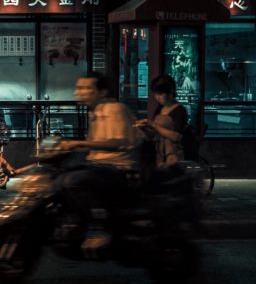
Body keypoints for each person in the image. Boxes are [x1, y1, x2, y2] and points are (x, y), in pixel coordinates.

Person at [56, 71, 140, 255]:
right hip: (99, 167)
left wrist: (80, 143)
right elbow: (97, 145)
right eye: (79, 88)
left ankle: (99, 227)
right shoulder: (95, 112)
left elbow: (119, 142)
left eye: (87, 88)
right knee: (59, 178)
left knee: (73, 182)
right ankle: (77, 223)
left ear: (102, 92)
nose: (81, 92)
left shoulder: (114, 109)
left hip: (118, 169)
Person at [136, 74, 187, 174]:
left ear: (170, 92)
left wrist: (153, 125)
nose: (157, 97)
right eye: (155, 94)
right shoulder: (160, 108)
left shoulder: (179, 110)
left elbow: (176, 136)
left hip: (172, 152)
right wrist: (144, 128)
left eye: (160, 94)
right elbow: (153, 134)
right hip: (157, 152)